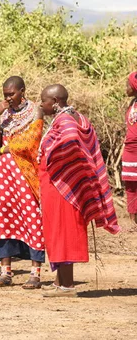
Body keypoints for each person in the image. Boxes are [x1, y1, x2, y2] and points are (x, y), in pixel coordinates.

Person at [39, 85, 120, 297]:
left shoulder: (65, 120)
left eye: (44, 100)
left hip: (61, 185)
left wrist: (56, 159)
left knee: (63, 231)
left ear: (55, 101)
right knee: (60, 230)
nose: (41, 104)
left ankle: (66, 286)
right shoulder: (76, 116)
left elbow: (70, 139)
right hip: (63, 184)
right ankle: (60, 281)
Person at [0, 76, 45, 288]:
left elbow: (31, 141)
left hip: (26, 174)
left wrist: (5, 148)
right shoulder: (4, 115)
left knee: (32, 218)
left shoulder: (35, 111)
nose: (8, 98)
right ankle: (5, 271)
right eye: (5, 95)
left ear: (22, 91)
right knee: (2, 217)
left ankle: (35, 274)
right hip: (3, 174)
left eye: (11, 94)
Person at [123, 71, 137, 225]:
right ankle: (133, 220)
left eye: (127, 85)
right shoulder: (132, 104)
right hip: (130, 150)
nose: (125, 88)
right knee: (130, 184)